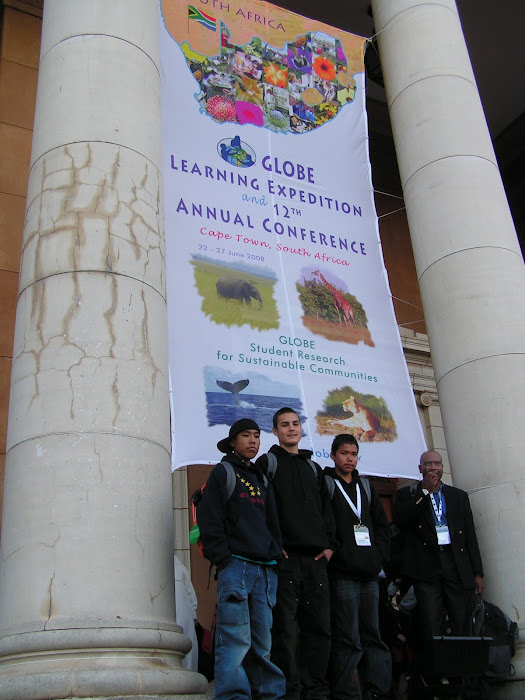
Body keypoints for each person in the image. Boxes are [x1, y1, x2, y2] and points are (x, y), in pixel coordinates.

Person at [197, 418, 285, 700]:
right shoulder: (223, 472)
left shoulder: (261, 477)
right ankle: (234, 696)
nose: (253, 441)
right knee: (235, 640)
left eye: (257, 436)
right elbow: (210, 519)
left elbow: (272, 522)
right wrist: (222, 558)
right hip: (235, 565)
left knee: (262, 641)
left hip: (265, 568)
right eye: (245, 435)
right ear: (233, 441)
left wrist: (275, 553)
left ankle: (266, 694)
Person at [256, 408, 335, 700]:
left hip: (316, 562)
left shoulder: (313, 467)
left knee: (320, 629)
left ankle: (316, 690)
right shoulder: (268, 463)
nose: (292, 429)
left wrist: (329, 547)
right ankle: (288, 691)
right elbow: (260, 508)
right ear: (275, 432)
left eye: (295, 424)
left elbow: (327, 511)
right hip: (285, 561)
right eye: (284, 425)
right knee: (285, 631)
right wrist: (274, 547)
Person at [394, 449, 484, 651]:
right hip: (426, 568)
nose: (432, 467)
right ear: (420, 468)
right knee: (430, 623)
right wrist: (425, 492)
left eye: (436, 463)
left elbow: (470, 536)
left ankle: (465, 674)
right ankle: (438, 675)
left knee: (462, 622)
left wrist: (477, 572)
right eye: (428, 464)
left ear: (442, 468)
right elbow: (402, 520)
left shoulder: (458, 496)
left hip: (455, 564)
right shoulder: (407, 494)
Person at [325, 434, 392, 700]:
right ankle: (347, 693)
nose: (349, 458)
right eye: (344, 453)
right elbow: (325, 525)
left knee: (373, 634)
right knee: (348, 637)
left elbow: (382, 526)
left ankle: (379, 691)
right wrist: (338, 555)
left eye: (353, 453)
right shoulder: (327, 484)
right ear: (333, 455)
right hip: (343, 575)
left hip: (370, 574)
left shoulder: (365, 486)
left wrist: (379, 558)